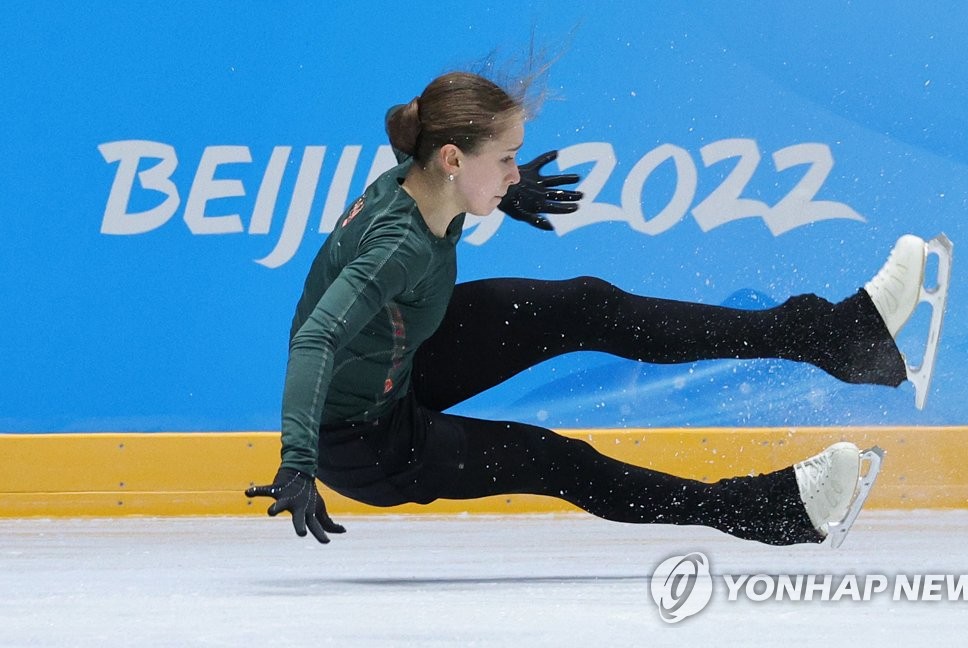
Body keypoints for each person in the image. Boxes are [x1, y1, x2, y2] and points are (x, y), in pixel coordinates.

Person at [246, 70, 928, 547]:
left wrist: (497, 194)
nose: (518, 171)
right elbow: (315, 339)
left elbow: (416, 147)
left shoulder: (426, 175)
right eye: (507, 160)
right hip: (365, 441)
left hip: (403, 360)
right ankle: (773, 511)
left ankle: (842, 337)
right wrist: (298, 461)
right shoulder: (395, 246)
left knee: (585, 305)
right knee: (556, 459)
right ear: (453, 157)